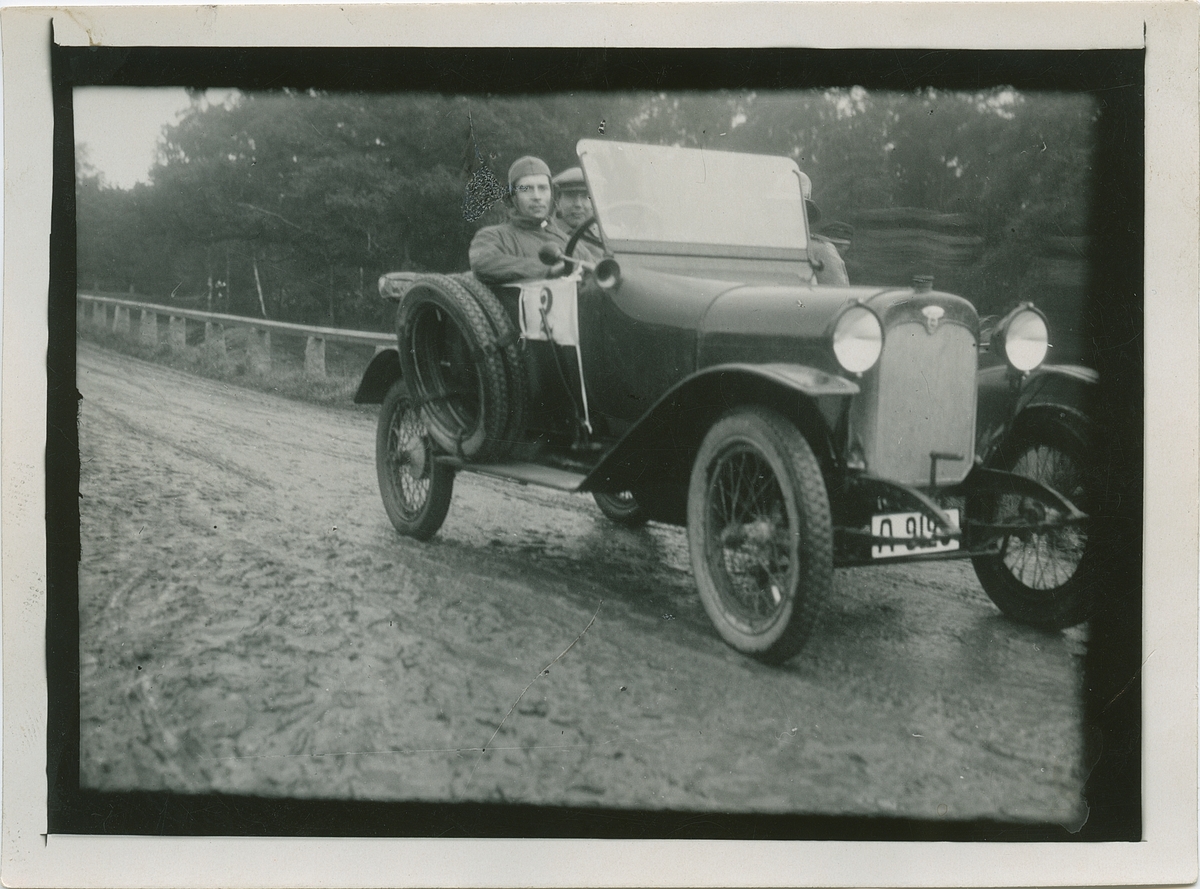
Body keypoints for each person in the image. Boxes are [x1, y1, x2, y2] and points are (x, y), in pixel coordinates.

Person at [468, 156, 571, 285]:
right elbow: (483, 262)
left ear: (551, 194)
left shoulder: (566, 240)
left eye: (543, 188)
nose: (537, 197)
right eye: (527, 189)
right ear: (513, 197)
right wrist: (547, 270)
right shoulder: (494, 236)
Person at [799, 171, 849, 286]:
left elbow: (837, 299)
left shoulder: (819, 250)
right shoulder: (766, 246)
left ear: (805, 214)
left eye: (794, 208)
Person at [552, 166, 604, 261]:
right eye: (571, 196)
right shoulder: (550, 235)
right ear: (557, 201)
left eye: (585, 196)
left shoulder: (605, 234)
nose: (578, 204)